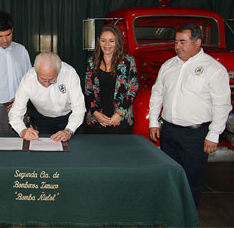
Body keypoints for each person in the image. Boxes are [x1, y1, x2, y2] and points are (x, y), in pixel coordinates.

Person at [149, 24, 232, 207]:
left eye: (182, 42)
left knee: (192, 179)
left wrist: (213, 134)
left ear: (197, 43)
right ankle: (170, 211)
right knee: (169, 174)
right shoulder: (168, 65)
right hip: (169, 132)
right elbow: (157, 94)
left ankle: (187, 216)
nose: (177, 46)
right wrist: (154, 122)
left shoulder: (213, 68)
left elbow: (222, 104)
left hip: (195, 135)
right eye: (176, 41)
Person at [9, 52, 86, 142]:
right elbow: (15, 112)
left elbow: (79, 108)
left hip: (70, 118)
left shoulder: (69, 74)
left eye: (51, 80)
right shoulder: (28, 80)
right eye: (42, 80)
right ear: (36, 71)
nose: (46, 84)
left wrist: (68, 131)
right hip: (43, 120)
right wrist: (23, 131)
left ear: (58, 71)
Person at [84, 25, 138, 134]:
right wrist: (95, 113)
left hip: (120, 121)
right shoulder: (92, 62)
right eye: (103, 41)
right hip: (96, 121)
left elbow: (132, 89)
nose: (107, 44)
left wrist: (119, 114)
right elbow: (88, 90)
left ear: (117, 42)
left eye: (111, 41)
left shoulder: (128, 61)